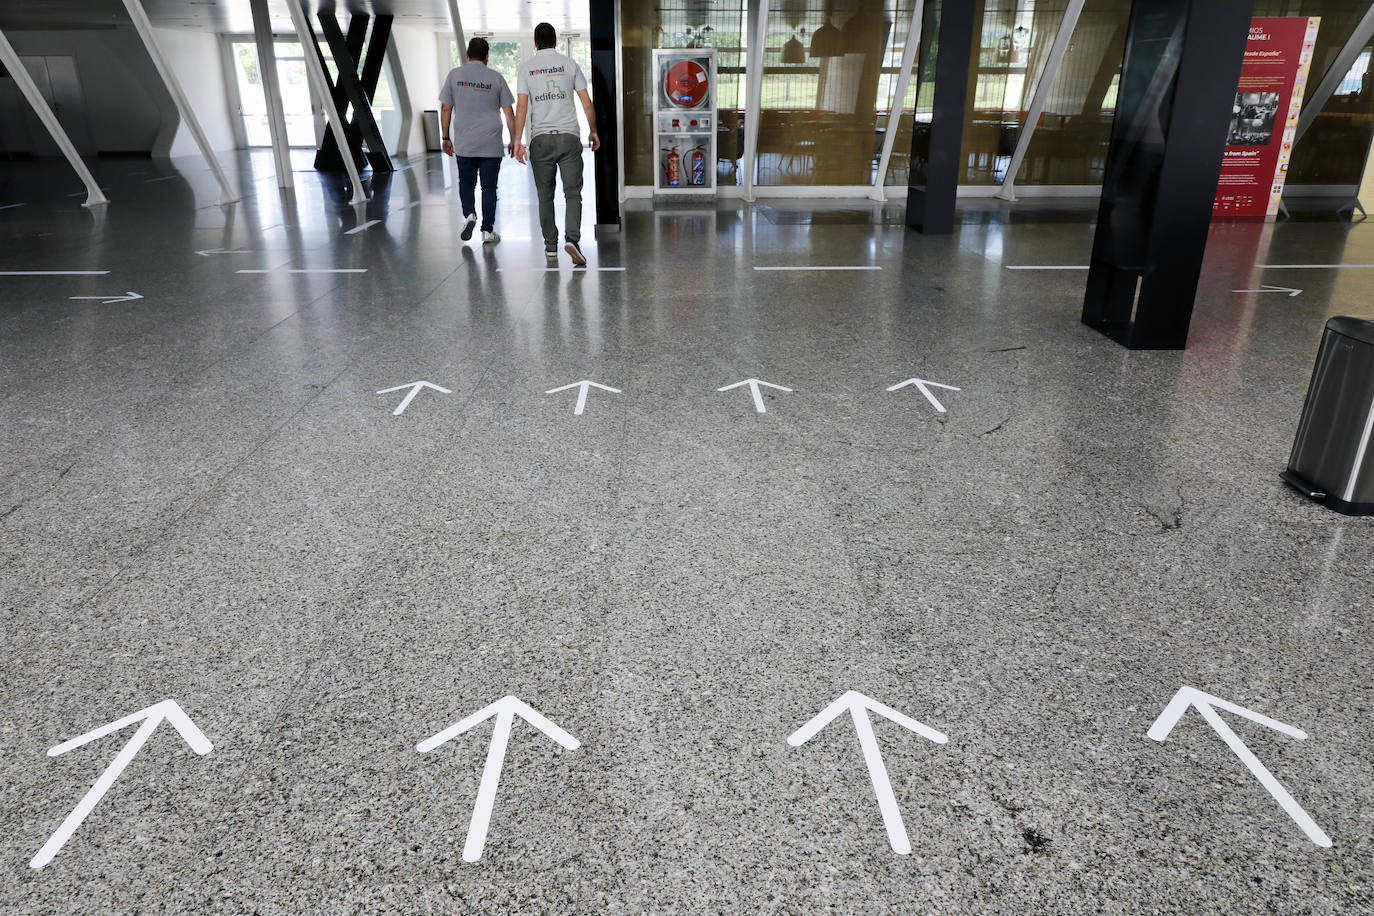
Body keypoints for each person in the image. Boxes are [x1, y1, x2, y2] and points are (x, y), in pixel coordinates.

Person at [513, 23, 599, 266]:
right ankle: (572, 239)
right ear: (556, 41)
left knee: (544, 196)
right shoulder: (569, 64)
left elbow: (521, 107)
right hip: (569, 137)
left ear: (535, 42)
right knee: (573, 194)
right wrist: (593, 131)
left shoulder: (526, 68)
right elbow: (586, 102)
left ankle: (551, 247)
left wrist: (518, 140)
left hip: (540, 139)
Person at [439, 38, 516, 244]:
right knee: (489, 188)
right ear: (487, 56)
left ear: (467, 54)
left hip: (465, 142)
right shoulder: (496, 77)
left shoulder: (455, 76)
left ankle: (470, 214)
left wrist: (445, 137)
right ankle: (487, 231)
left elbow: (446, 108)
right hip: (491, 143)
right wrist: (515, 139)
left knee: (466, 183)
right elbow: (509, 112)